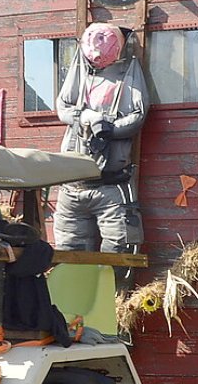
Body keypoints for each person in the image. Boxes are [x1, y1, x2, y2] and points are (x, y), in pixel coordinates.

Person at [53, 22, 150, 253]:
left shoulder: (129, 70)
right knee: (69, 251)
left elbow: (137, 115)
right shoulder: (79, 67)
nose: (96, 57)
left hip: (112, 183)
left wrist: (108, 128)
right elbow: (63, 106)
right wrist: (85, 118)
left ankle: (116, 290)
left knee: (120, 249)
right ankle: (76, 289)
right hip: (72, 185)